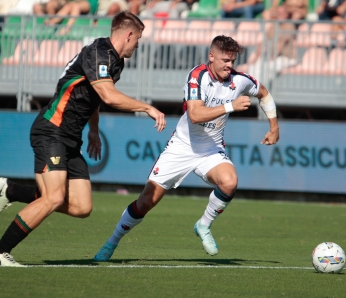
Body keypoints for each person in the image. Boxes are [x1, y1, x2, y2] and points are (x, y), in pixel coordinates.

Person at [0, 11, 166, 267]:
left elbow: (94, 98)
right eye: (139, 39)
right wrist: (147, 107)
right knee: (54, 197)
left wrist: (93, 130)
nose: (138, 44)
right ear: (129, 34)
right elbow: (109, 95)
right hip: (52, 130)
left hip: (70, 139)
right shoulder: (98, 52)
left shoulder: (116, 62)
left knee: (81, 206)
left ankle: (11, 190)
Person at [93, 35, 280, 261]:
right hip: (181, 147)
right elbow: (195, 115)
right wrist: (230, 105)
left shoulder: (239, 81)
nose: (230, 65)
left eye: (233, 60)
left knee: (230, 182)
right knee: (145, 203)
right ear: (211, 56)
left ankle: (203, 225)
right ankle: (112, 242)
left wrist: (274, 126)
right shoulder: (197, 76)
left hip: (211, 149)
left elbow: (264, 93)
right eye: (225, 60)